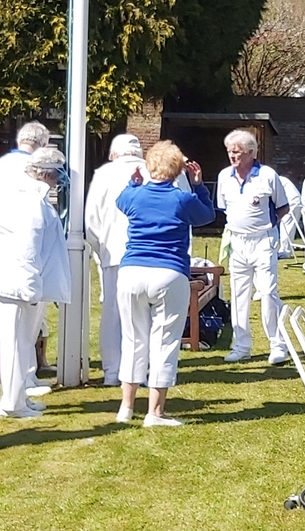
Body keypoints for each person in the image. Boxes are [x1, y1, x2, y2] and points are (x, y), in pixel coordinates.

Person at [114, 141, 214, 426]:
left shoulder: (135, 196)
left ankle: (126, 407)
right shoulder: (182, 199)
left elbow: (122, 200)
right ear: (178, 169)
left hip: (132, 270)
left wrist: (133, 184)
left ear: (148, 167)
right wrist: (198, 185)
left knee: (133, 340)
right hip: (168, 272)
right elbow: (206, 215)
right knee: (164, 342)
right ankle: (155, 412)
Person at [0, 147, 71, 418]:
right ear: (44, 174)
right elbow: (26, 248)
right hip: (14, 284)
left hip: (19, 282)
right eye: (55, 173)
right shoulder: (27, 201)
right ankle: (12, 403)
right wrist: (30, 287)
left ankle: (19, 398)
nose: (58, 179)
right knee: (15, 344)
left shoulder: (32, 198)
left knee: (22, 343)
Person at [0, 122, 53, 392]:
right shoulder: (31, 174)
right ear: (43, 145)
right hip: (20, 250)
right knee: (24, 326)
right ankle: (23, 380)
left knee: (0, 319)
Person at [216, 129, 291, 364]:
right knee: (238, 295)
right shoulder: (223, 177)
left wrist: (268, 228)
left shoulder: (268, 175)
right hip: (237, 241)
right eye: (229, 152)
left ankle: (278, 345)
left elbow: (284, 207)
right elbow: (223, 209)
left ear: (250, 152)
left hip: (263, 240)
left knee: (268, 292)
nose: (232, 156)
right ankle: (241, 346)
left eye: (237, 152)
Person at [84, 134, 145, 386]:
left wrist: (101, 250)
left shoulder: (103, 175)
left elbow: (91, 222)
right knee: (143, 314)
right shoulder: (151, 171)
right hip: (146, 252)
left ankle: (112, 372)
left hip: (113, 252)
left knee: (113, 313)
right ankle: (139, 372)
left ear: (113, 153)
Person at [276, 175, 303, 259]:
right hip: (294, 203)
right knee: (286, 227)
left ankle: (285, 252)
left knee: (286, 228)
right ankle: (284, 250)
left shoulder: (276, 180)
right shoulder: (280, 179)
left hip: (292, 204)